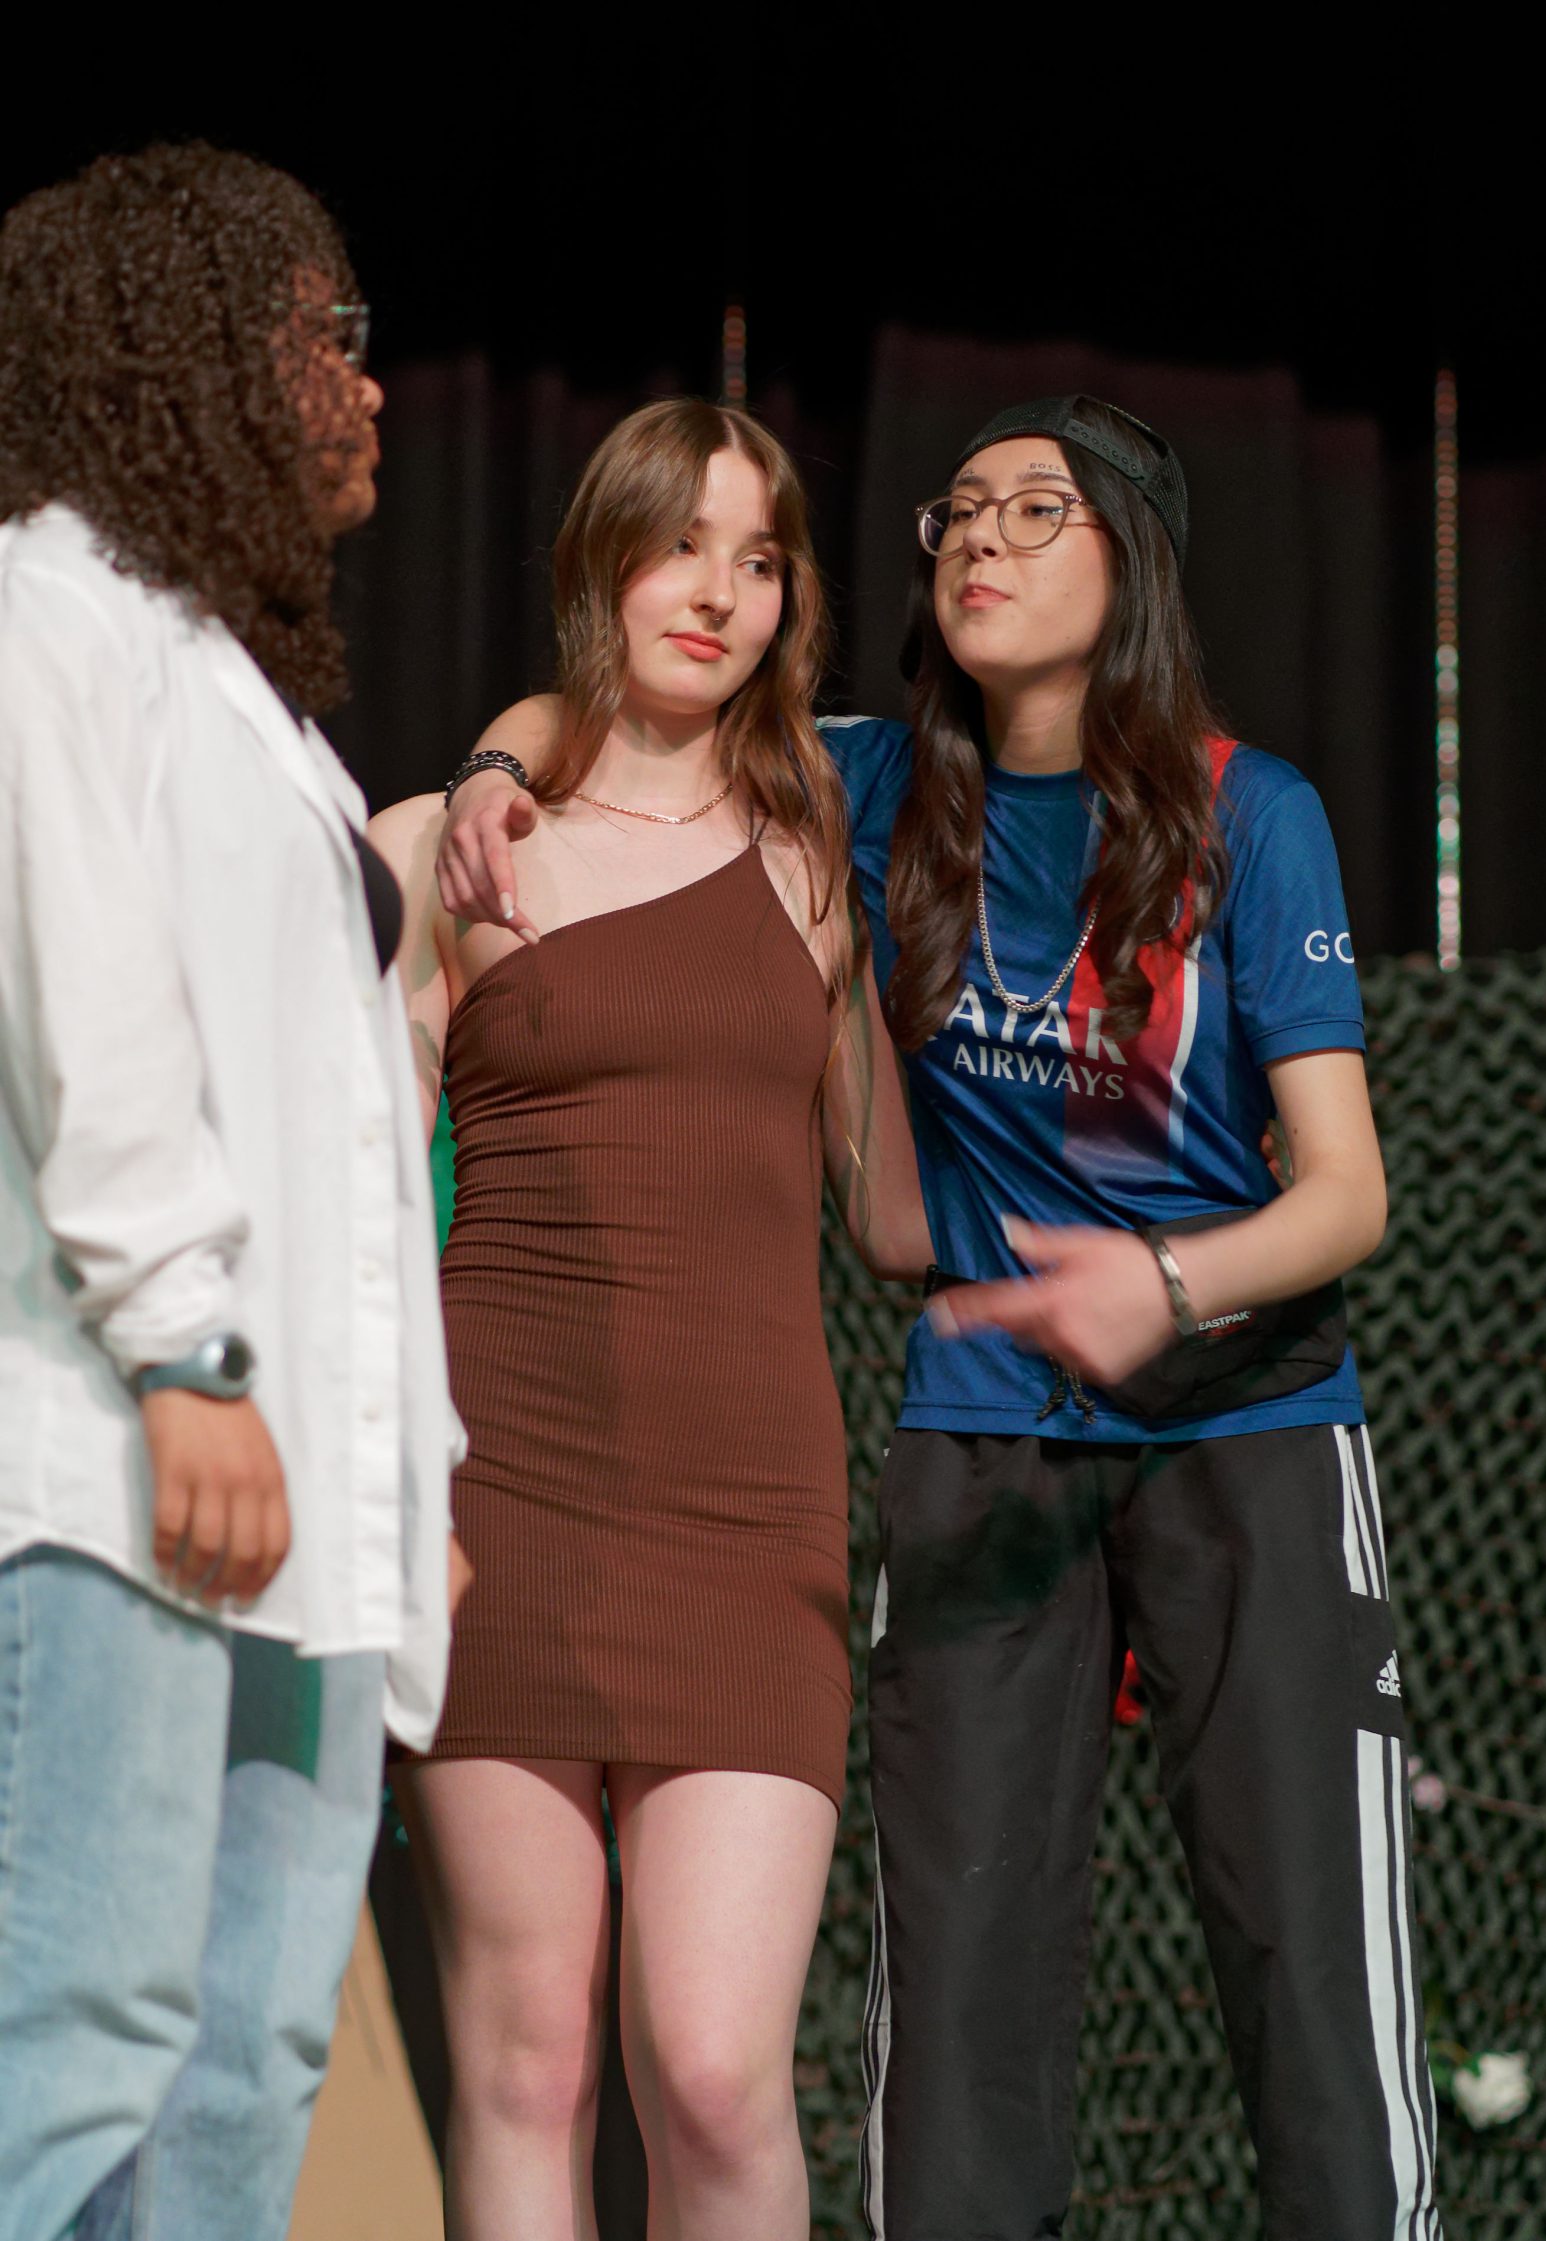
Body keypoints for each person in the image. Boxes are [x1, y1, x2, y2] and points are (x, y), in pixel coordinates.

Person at [442, 394, 1439, 2239]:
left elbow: (1347, 1194)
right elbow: (616, 710)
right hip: (987, 1433)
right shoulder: (865, 785)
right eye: (958, 509)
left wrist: (1163, 1282)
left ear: (1134, 558)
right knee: (961, 1997)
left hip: (1249, 1422)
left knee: (1310, 1975)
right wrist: (496, 763)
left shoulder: (1251, 808)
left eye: (1036, 510)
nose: (980, 535)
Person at [371, 395, 925, 2239]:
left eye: (759, 558)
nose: (717, 591)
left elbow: (896, 1213)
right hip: (502, 1491)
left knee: (712, 2067)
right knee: (527, 2063)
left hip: (750, 1508)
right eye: (680, 542)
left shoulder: (822, 846)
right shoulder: (447, 844)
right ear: (597, 557)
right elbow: (355, 1195)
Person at [0, 144, 461, 2239]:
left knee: (249, 2053)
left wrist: (409, 1474)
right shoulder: (51, 611)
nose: (366, 385)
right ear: (186, 357)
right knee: (74, 2025)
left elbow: (342, 1139)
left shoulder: (244, 690)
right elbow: (89, 1015)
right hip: (135, 1459)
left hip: (312, 1512)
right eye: (324, 337)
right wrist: (184, 1352)